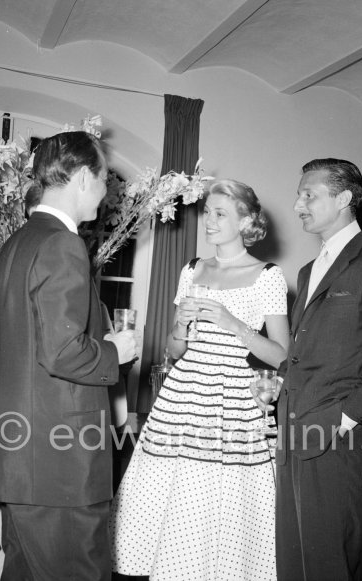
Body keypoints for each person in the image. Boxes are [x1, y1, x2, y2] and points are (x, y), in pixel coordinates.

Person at [110, 179, 290, 580]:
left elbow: (282, 356)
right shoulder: (192, 269)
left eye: (220, 213)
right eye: (207, 211)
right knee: (169, 501)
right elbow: (176, 351)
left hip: (234, 403)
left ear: (247, 221)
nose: (208, 220)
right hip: (181, 397)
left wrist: (233, 324)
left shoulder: (268, 276)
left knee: (220, 507)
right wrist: (180, 326)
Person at [0, 130, 137, 581]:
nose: (107, 195)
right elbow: (64, 352)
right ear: (85, 178)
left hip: (20, 459)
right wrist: (114, 350)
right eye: (106, 181)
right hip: (61, 467)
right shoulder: (64, 245)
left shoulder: (13, 246)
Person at [270, 158, 362, 581]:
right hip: (292, 427)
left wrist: (341, 420)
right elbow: (304, 350)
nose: (298, 205)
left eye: (308, 194)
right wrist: (279, 386)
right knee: (293, 557)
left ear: (345, 198)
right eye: (299, 194)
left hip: (335, 433)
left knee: (328, 559)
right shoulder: (308, 270)